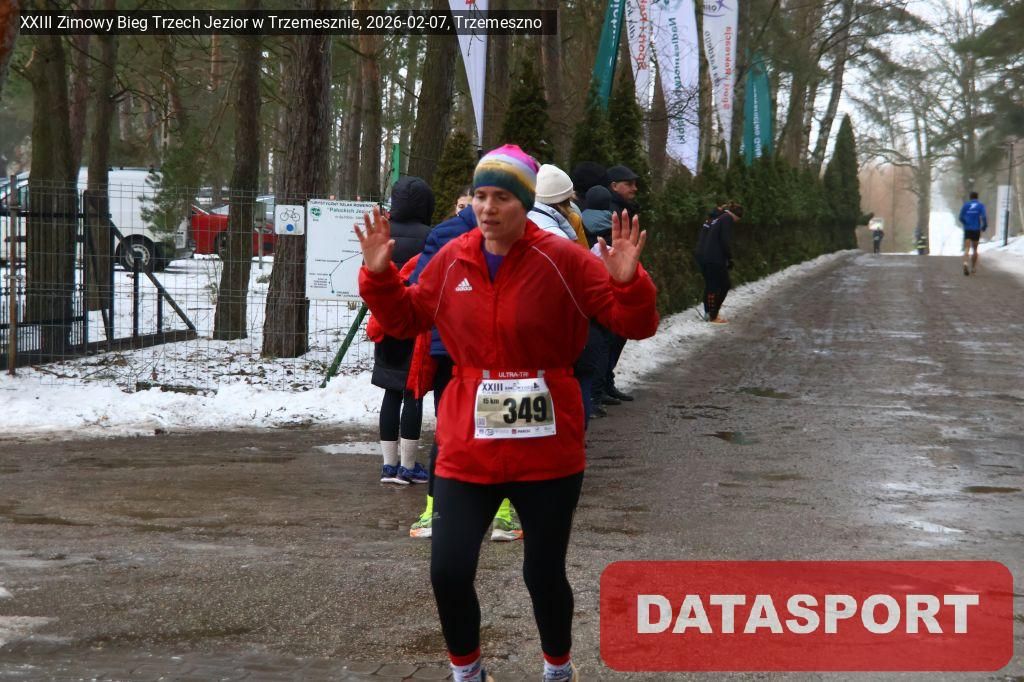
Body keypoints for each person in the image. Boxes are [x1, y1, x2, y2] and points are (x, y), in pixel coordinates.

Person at [356, 144, 659, 682]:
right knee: (448, 571)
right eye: (480, 195)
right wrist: (380, 277)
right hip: (468, 445)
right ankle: (468, 673)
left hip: (547, 450)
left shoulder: (563, 258)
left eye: (501, 197)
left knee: (543, 573)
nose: (487, 207)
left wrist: (628, 282)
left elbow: (633, 323)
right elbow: (406, 319)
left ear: (525, 202)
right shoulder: (452, 257)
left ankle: (558, 669)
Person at [406, 193, 522, 543]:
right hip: (472, 351)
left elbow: (418, 290)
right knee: (489, 430)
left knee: (459, 430)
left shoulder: (450, 232)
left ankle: (443, 512)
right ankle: (481, 513)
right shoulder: (457, 235)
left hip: (470, 350)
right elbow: (420, 293)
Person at [370, 177, 434, 485]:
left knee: (391, 390)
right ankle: (408, 466)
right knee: (413, 393)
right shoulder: (431, 237)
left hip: (385, 324)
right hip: (418, 324)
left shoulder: (383, 233)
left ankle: (388, 465)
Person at [695, 200, 742, 323]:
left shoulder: (714, 220)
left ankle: (710, 312)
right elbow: (724, 241)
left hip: (705, 256)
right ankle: (713, 314)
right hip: (714, 258)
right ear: (736, 216)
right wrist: (729, 258)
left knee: (712, 285)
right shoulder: (726, 219)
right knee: (721, 285)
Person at [958, 191, 987, 275]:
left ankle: (965, 263)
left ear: (970, 197)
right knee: (975, 249)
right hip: (976, 229)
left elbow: (960, 217)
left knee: (967, 248)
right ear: (977, 197)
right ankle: (973, 268)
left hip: (968, 229)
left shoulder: (966, 205)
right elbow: (984, 216)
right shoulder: (980, 205)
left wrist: (965, 223)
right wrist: (984, 226)